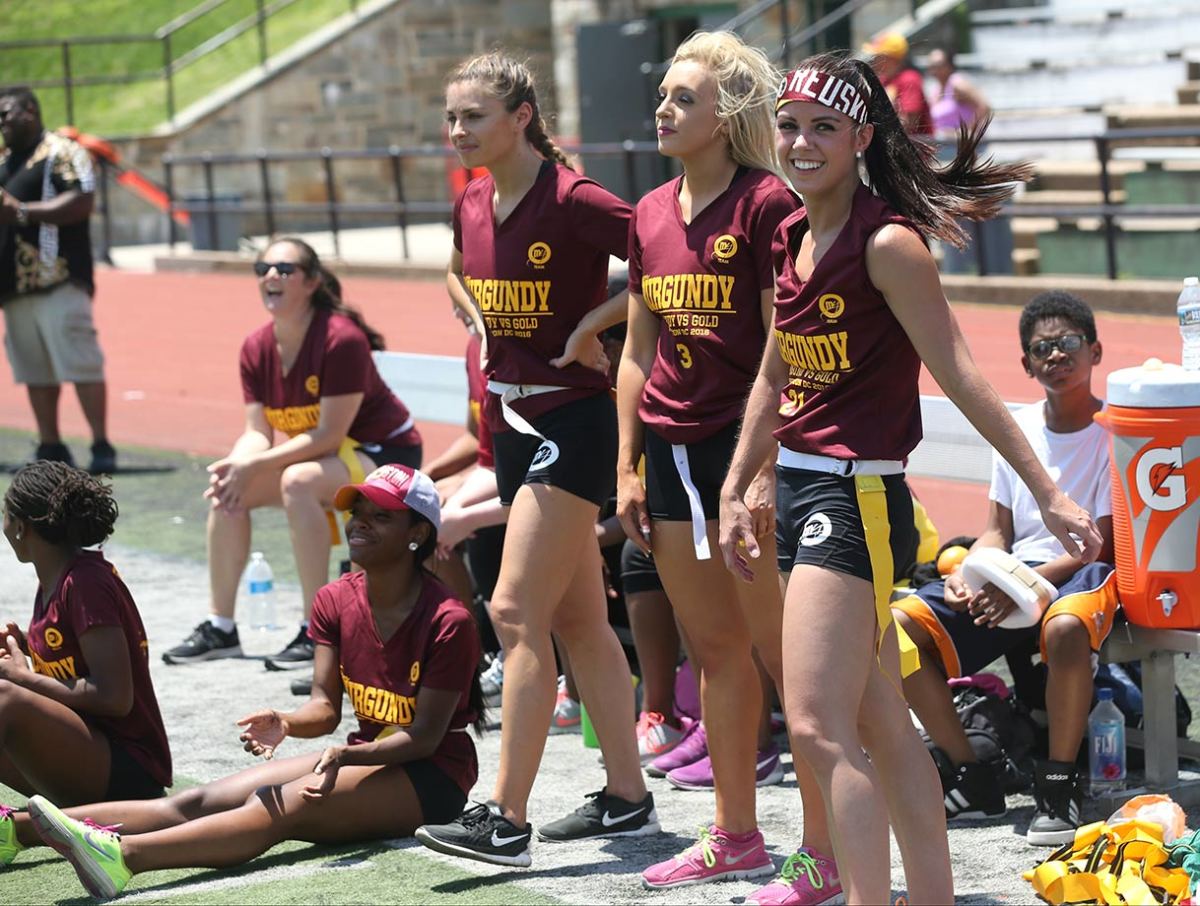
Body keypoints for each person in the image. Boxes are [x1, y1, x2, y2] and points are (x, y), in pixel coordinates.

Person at [718, 53, 1102, 903]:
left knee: (816, 723)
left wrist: (1047, 492)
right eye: (790, 125)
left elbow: (961, 372)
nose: (801, 142)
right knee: (877, 717)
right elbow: (778, 372)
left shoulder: (888, 243)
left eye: (824, 127)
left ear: (862, 137)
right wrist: (739, 482)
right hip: (802, 490)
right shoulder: (788, 233)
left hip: (854, 494)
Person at [6, 465, 485, 900]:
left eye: (380, 516)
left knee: (277, 805)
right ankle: (16, 831)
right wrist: (288, 722)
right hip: (364, 758)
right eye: (357, 512)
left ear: (417, 533)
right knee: (200, 800)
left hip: (431, 777)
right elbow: (324, 708)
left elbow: (424, 740)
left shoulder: (449, 620)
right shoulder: (335, 599)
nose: (359, 523)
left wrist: (346, 755)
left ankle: (125, 858)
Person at [415, 51, 656, 868]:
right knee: (578, 620)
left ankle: (506, 819)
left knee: (515, 610)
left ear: (521, 117)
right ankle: (628, 798)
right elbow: (455, 271)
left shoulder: (574, 198)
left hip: (574, 419)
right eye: (451, 117)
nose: (457, 130)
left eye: (473, 116)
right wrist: (476, 318)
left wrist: (594, 326)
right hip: (512, 422)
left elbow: (666, 256)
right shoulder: (473, 197)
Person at [614, 32, 835, 899]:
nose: (663, 110)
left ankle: (822, 851)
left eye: (683, 98)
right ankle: (736, 836)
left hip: (744, 452)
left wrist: (766, 466)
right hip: (669, 455)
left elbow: (790, 348)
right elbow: (637, 351)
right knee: (714, 653)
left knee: (787, 662)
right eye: (662, 96)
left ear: (728, 114)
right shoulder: (648, 212)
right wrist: (627, 466)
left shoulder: (768, 204)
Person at [893, 291, 1116, 846]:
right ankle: (973, 774)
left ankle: (1059, 785)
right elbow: (998, 531)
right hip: (1013, 576)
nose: (1056, 355)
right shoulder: (1016, 430)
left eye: (1068, 343)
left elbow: (1101, 545)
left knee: (1064, 628)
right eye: (1042, 348)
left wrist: (1023, 587)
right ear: (1026, 364)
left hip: (1083, 572)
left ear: (1094, 352)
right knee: (896, 627)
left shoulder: (1116, 434)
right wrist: (971, 571)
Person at [162, 238, 422, 670]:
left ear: (312, 281)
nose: (270, 276)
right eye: (262, 268)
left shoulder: (341, 339)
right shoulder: (256, 347)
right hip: (325, 456)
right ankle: (221, 627)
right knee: (229, 489)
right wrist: (237, 465)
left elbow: (328, 435)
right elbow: (257, 432)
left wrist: (255, 464)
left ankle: (315, 629)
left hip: (385, 454)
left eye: (284, 270)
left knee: (297, 482)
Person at [0, 460, 170, 826]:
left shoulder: (84, 582)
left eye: (4, 514)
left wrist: (22, 678)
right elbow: (76, 659)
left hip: (129, 771)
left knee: (4, 698)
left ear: (21, 526)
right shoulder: (56, 578)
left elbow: (115, 697)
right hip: (91, 755)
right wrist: (25, 647)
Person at [0, 86, 116, 473]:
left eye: (6, 113)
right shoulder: (3, 160)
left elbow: (83, 199)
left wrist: (22, 212)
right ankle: (50, 444)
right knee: (34, 370)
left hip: (59, 276)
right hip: (14, 287)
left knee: (81, 362)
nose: (1, 122)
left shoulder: (62, 151)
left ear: (30, 111)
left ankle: (100, 443)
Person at [863, 34, 932, 138]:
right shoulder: (884, 80)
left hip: (913, 145)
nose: (873, 60)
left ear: (891, 59)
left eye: (877, 56)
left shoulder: (909, 79)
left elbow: (909, 123)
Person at [927, 48, 989, 145]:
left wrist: (967, 131)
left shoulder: (957, 85)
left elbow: (983, 107)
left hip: (964, 145)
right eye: (931, 65)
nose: (934, 69)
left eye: (938, 65)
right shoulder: (936, 89)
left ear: (949, 65)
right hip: (946, 145)